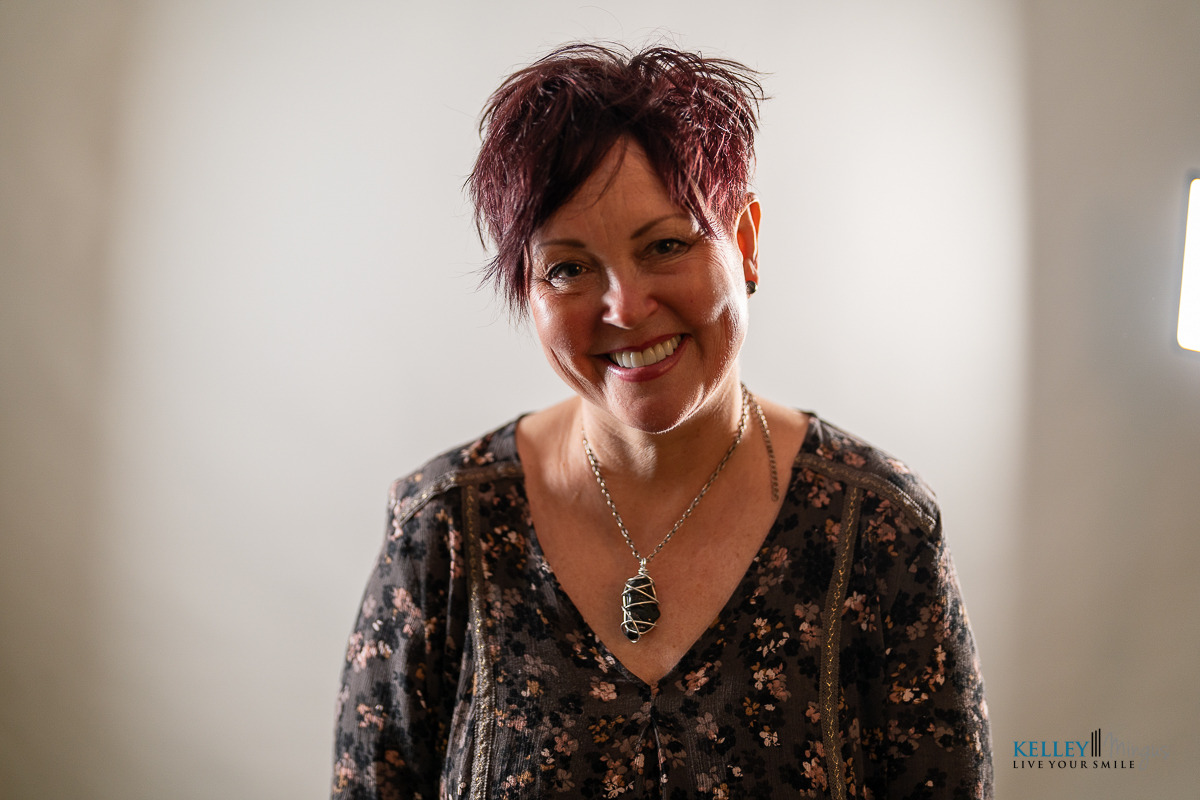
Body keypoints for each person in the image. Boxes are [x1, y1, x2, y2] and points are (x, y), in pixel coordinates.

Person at [332, 43, 992, 799]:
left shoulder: (879, 527)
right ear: (528, 288)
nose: (625, 308)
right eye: (569, 268)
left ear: (745, 244)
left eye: (667, 245)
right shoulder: (445, 526)